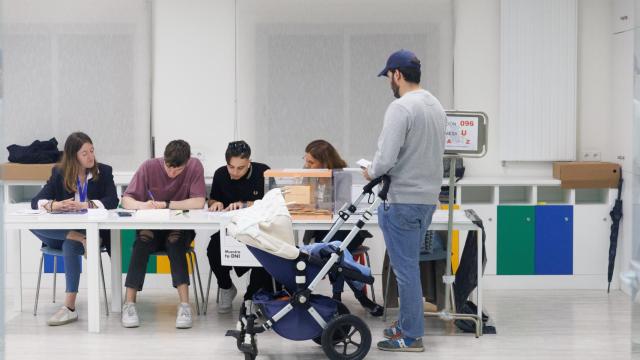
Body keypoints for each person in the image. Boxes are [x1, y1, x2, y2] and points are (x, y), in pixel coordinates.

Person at [363, 49, 446, 352]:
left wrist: (369, 170)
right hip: (426, 199)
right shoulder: (435, 105)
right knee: (409, 267)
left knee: (405, 270)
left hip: (402, 200)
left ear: (397, 74)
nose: (389, 81)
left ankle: (411, 336)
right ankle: (407, 325)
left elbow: (385, 159)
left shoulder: (401, 107)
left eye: (388, 76)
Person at [31, 132, 118, 326]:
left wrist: (85, 205)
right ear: (73, 156)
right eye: (84, 153)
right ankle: (77, 237)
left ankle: (69, 308)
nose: (90, 157)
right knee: (32, 224)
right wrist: (54, 205)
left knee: (70, 244)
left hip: (93, 234)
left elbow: (113, 201)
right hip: (62, 232)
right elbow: (36, 201)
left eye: (92, 151)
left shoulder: (104, 171)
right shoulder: (59, 173)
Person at [120, 140, 206, 329]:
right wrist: (143, 205)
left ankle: (184, 305)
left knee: (174, 243)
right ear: (164, 159)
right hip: (152, 227)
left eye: (178, 169)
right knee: (142, 242)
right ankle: (129, 304)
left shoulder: (194, 166)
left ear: (187, 162)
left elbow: (199, 201)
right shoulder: (149, 166)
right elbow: (126, 200)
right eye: (169, 167)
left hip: (180, 229)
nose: (172, 173)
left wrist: (167, 204)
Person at [302, 139, 383, 316]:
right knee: (335, 250)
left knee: (335, 249)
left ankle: (337, 299)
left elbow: (340, 205)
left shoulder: (342, 175)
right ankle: (360, 300)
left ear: (325, 162)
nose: (306, 165)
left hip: (346, 230)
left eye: (311, 162)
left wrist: (317, 205)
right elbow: (302, 201)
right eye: (306, 160)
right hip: (323, 231)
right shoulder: (307, 175)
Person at [206, 140, 275, 314]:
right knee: (213, 249)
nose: (235, 172)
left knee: (265, 251)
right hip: (230, 229)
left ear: (249, 162)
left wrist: (246, 204)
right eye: (231, 167)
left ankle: (252, 296)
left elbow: (272, 202)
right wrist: (216, 203)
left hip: (258, 230)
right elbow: (212, 198)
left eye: (241, 168)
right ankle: (226, 287)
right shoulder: (220, 174)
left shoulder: (264, 171)